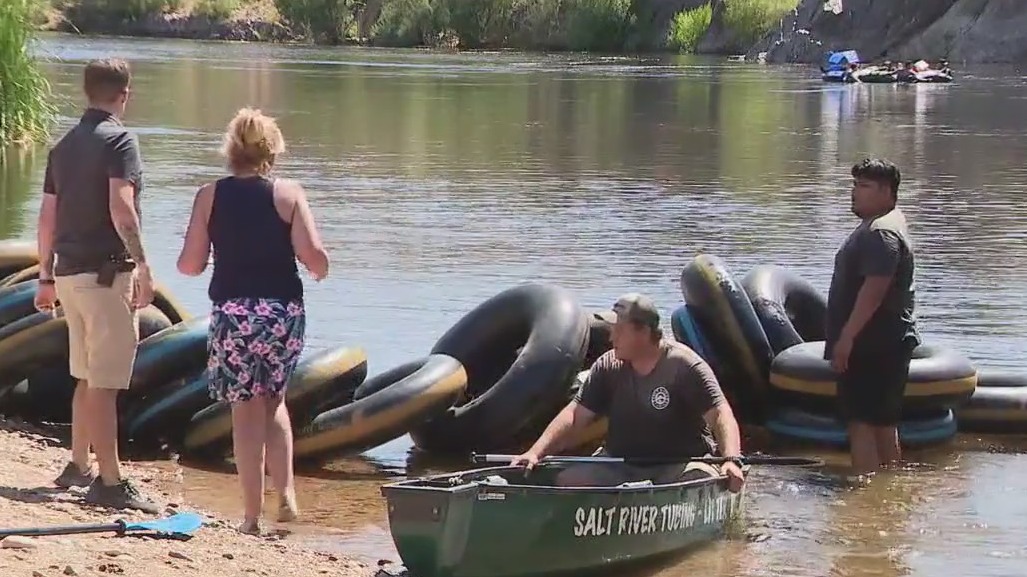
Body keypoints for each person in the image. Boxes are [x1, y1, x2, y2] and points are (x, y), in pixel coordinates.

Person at [176, 106, 329, 535]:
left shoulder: (210, 196)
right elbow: (313, 257)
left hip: (234, 313)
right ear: (272, 152)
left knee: (244, 412)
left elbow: (189, 264)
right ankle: (287, 494)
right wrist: (322, 267)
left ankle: (250, 517)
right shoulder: (289, 194)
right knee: (274, 401)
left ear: (230, 151)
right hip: (282, 312)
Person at [34, 58, 160, 514]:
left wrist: (45, 276)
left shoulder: (63, 146)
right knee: (105, 382)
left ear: (86, 92)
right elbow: (121, 205)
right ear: (123, 95)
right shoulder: (121, 139)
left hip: (67, 274)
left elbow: (46, 218)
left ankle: (78, 464)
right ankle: (110, 481)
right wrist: (144, 265)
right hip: (106, 274)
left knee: (86, 374)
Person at [511, 293, 745, 493]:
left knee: (698, 483)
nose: (612, 338)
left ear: (643, 332)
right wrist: (535, 453)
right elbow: (575, 415)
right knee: (567, 480)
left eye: (620, 331)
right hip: (620, 463)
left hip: (679, 465)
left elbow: (721, 414)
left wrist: (731, 460)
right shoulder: (608, 366)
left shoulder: (685, 366)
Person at [824, 158, 920, 477]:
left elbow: (875, 289)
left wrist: (847, 338)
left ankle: (864, 490)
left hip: (872, 344)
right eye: (854, 185)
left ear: (886, 192)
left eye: (863, 186)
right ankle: (886, 496)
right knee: (882, 424)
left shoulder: (881, 233)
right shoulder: (888, 222)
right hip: (887, 343)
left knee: (861, 423)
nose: (854, 192)